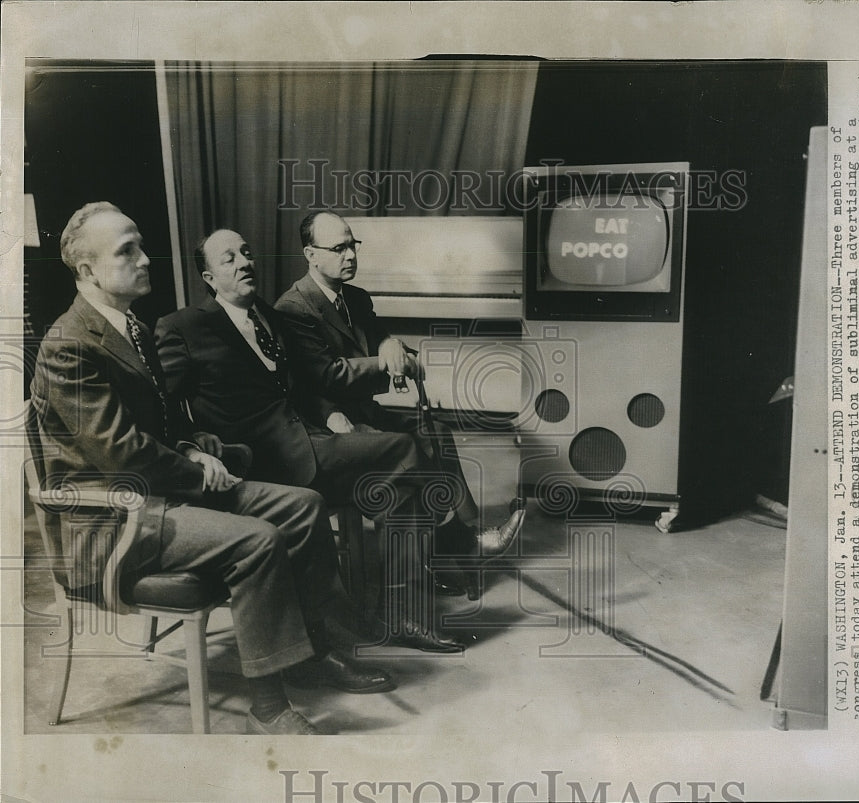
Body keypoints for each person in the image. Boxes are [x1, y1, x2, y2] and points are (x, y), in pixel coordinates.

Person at [30, 202, 394, 736]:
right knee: (258, 540)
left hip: (159, 497)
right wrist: (196, 471)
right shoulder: (69, 344)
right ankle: (268, 706)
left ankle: (319, 652)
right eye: (126, 251)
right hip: (111, 523)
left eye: (140, 244)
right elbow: (120, 453)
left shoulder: (130, 325)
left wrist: (194, 445)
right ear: (87, 271)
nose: (144, 258)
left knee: (303, 506)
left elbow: (158, 423)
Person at [154, 228, 519, 652]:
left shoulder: (269, 316)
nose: (244, 263)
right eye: (229, 259)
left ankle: (403, 614)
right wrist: (192, 447)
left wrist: (331, 413)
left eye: (247, 252)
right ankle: (455, 540)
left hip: (310, 442)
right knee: (405, 448)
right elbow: (161, 406)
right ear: (209, 278)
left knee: (399, 486)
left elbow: (306, 385)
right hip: (263, 464)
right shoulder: (185, 327)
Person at [274, 211, 524, 598]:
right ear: (311, 254)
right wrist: (384, 360)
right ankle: (457, 545)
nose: (350, 255)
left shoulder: (354, 297)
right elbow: (326, 376)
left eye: (352, 245)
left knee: (435, 431)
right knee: (412, 452)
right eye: (338, 248)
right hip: (323, 426)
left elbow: (386, 342)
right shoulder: (294, 308)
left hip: (361, 411)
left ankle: (462, 537)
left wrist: (393, 345)